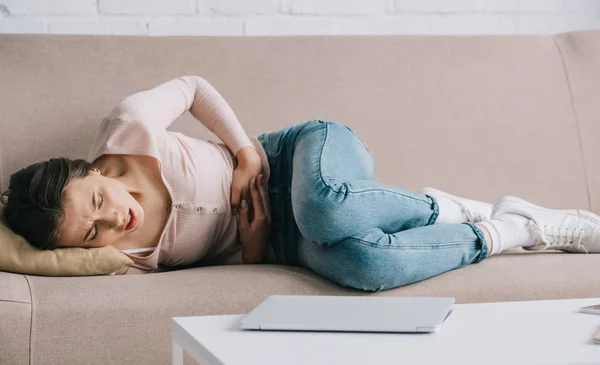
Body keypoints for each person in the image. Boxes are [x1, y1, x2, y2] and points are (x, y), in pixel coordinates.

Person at [3, 76, 600, 291]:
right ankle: (510, 228)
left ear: (92, 171)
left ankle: (443, 206)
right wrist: (255, 250)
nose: (114, 222)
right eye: (93, 233)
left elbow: (192, 86)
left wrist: (242, 151)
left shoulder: (128, 127)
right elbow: (224, 262)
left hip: (296, 155)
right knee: (361, 269)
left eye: (99, 202)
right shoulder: (127, 257)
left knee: (323, 211)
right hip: (285, 240)